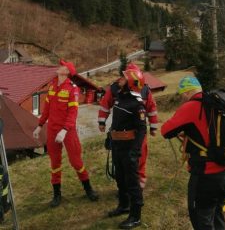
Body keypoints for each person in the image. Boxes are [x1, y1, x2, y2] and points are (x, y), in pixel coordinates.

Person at [161, 77, 225, 230]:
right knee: (217, 215)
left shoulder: (191, 106)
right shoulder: (216, 104)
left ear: (187, 93)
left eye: (182, 95)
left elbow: (165, 130)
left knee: (201, 220)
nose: (181, 99)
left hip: (205, 175)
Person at [32, 60, 98, 207]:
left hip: (68, 131)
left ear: (67, 71)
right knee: (54, 162)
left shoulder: (73, 89)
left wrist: (64, 130)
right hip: (52, 129)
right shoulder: (52, 86)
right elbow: (47, 108)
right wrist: (40, 125)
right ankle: (57, 195)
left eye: (62, 65)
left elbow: (73, 113)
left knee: (76, 162)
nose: (58, 66)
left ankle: (88, 189)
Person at [98, 62, 158, 188]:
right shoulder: (115, 88)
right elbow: (105, 104)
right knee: (122, 159)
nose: (121, 78)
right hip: (120, 132)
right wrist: (101, 121)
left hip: (138, 131)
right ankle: (124, 183)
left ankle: (139, 181)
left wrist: (153, 126)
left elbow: (151, 108)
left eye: (125, 76)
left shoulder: (145, 90)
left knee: (140, 155)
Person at [107, 67, 146, 229]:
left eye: (123, 77)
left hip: (129, 147)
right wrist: (109, 138)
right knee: (120, 178)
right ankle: (124, 206)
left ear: (130, 82)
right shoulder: (120, 98)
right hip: (117, 145)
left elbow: (142, 129)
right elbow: (116, 122)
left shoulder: (137, 104)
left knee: (132, 182)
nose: (119, 79)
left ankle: (135, 216)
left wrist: (135, 150)